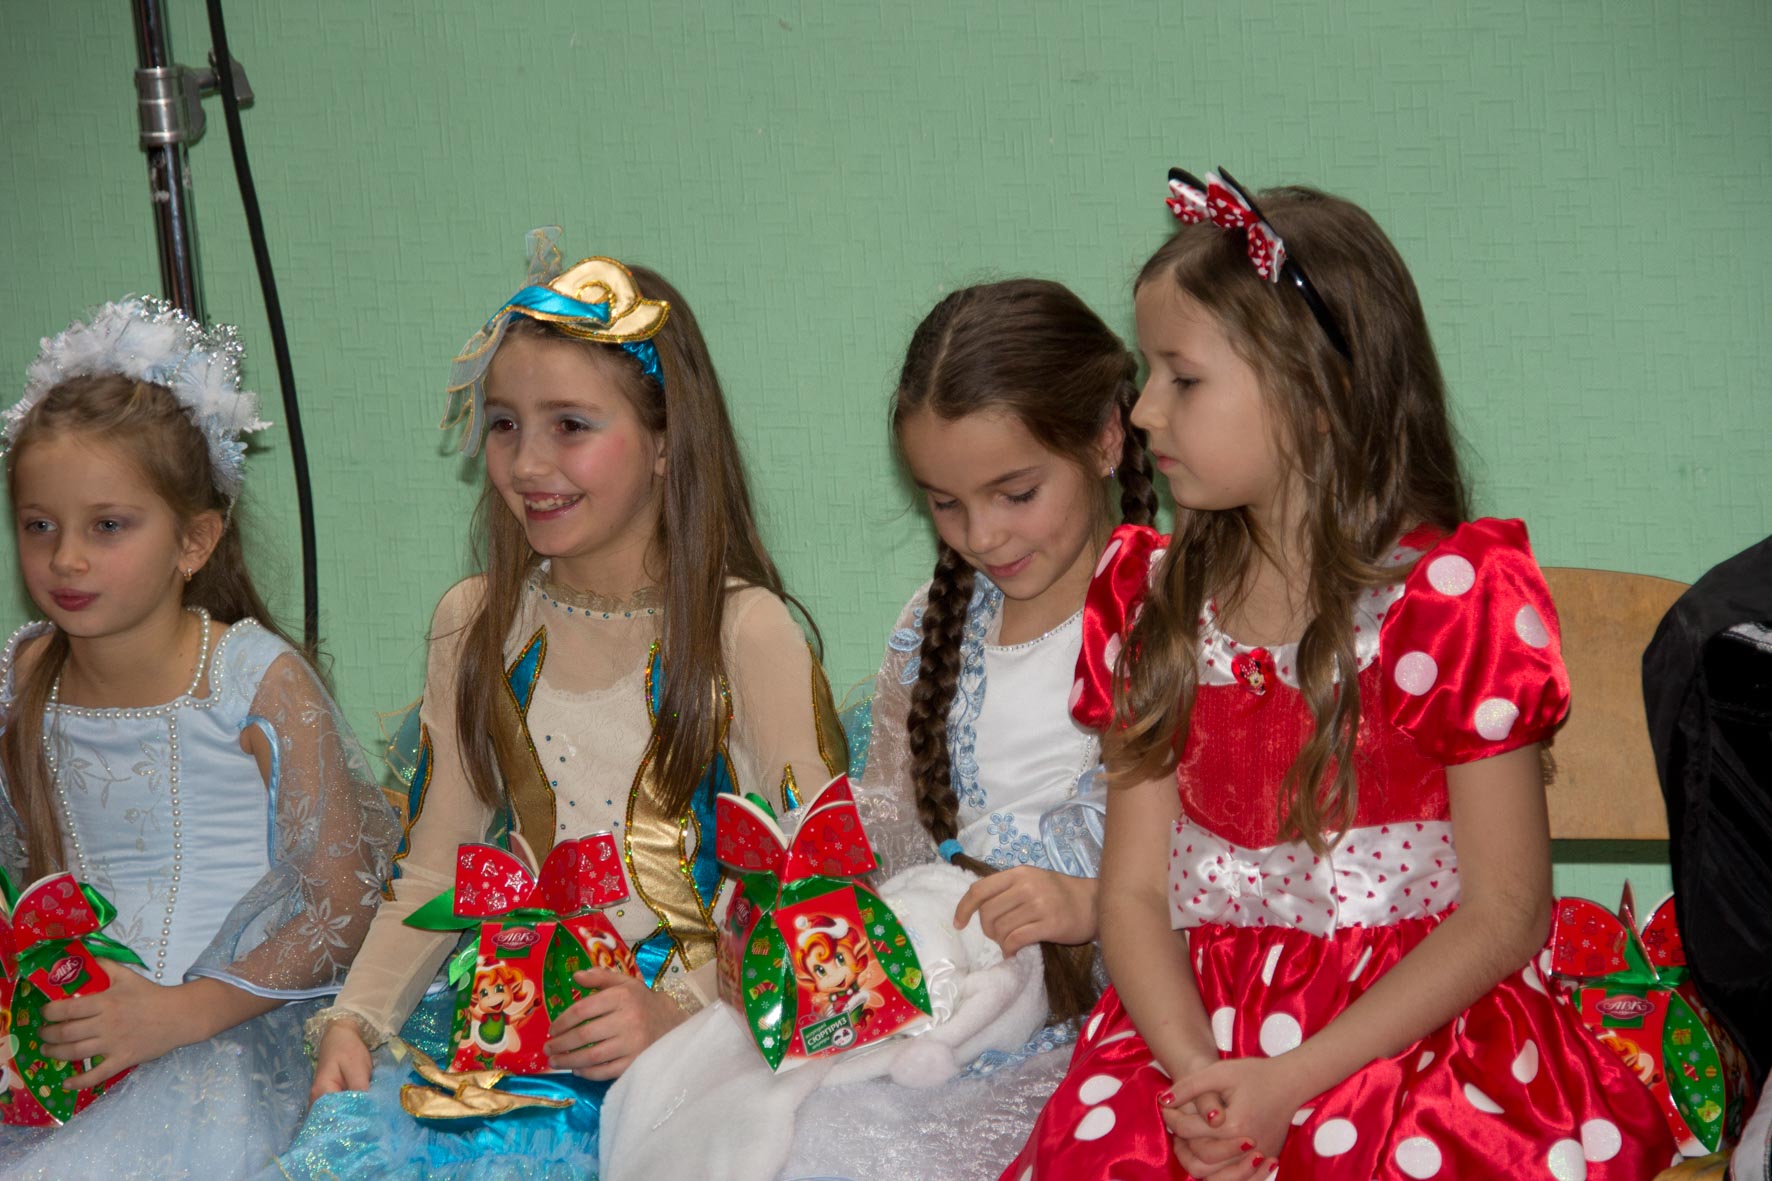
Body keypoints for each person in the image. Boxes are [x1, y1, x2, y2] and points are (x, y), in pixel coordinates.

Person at [1001, 170, 1676, 1179]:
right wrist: (1203, 1077)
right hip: (1193, 1035)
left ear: (1316, 393)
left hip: (1409, 1037)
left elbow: (1506, 913)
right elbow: (1132, 893)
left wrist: (1288, 1082)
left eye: (1182, 378)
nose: (1142, 411)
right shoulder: (1152, 606)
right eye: (1149, 375)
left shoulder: (1449, 602)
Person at [279, 231, 844, 1179]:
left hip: (699, 1042)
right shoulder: (477, 623)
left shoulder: (743, 632)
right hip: (518, 1028)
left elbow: (809, 889)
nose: (527, 462)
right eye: (504, 424)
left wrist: (680, 1014)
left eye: (570, 425)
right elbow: (438, 867)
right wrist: (356, 1018)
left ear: (665, 442)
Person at [0, 297, 398, 1179]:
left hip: (224, 1039)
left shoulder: (251, 681)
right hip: (68, 1040)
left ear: (195, 540)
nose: (66, 558)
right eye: (39, 524)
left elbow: (343, 903)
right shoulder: (23, 678)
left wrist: (179, 1013)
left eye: (108, 525)